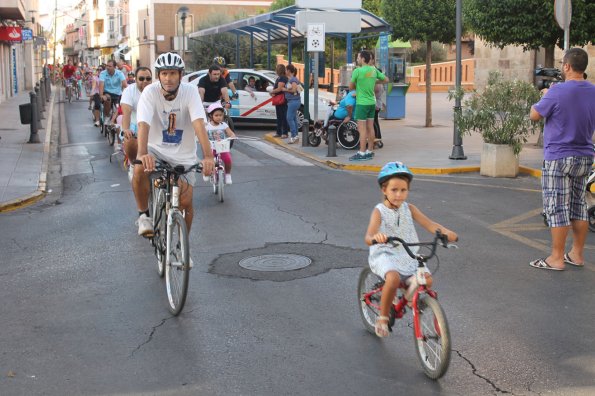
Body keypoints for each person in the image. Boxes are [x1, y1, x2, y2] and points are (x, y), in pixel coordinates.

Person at [365, 162, 458, 337]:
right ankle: (383, 317)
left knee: (427, 280)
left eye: (403, 190)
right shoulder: (379, 211)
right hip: (385, 253)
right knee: (392, 279)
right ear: (384, 190)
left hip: (408, 253)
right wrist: (376, 238)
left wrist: (446, 232)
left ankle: (405, 300)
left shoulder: (410, 209)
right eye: (394, 190)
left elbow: (430, 224)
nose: (399, 195)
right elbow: (368, 236)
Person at [133, 52, 214, 238]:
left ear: (180, 75)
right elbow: (143, 123)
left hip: (184, 154)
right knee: (138, 169)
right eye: (164, 74)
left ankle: (182, 245)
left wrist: (208, 156)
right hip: (155, 150)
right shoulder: (150, 92)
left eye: (173, 73)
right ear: (158, 75)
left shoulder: (190, 92)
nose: (168, 79)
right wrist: (142, 153)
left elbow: (199, 124)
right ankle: (143, 215)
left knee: (185, 202)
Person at [529, 47, 595, 271]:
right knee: (579, 206)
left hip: (559, 157)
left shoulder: (557, 91)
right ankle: (576, 254)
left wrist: (545, 96)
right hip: (585, 155)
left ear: (567, 66)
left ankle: (556, 258)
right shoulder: (592, 90)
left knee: (557, 207)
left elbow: (535, 115)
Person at [349, 50, 389, 161]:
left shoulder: (357, 71)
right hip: (372, 102)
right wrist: (374, 82)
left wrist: (359, 83)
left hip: (362, 103)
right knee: (370, 127)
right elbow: (386, 79)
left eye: (358, 57)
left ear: (362, 59)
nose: (357, 59)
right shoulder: (373, 70)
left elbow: (351, 87)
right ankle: (370, 151)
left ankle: (361, 153)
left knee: (362, 129)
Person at [120, 66, 153, 169]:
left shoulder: (157, 89)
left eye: (148, 78)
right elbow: (127, 113)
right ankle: (134, 165)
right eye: (141, 79)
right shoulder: (129, 91)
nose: (145, 81)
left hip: (153, 127)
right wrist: (126, 129)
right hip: (135, 127)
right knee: (129, 139)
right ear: (135, 79)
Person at [205, 102, 237, 184]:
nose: (219, 117)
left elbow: (230, 133)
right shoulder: (207, 126)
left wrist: (233, 136)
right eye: (216, 115)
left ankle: (228, 175)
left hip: (222, 147)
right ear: (210, 116)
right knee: (209, 160)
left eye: (221, 115)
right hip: (211, 147)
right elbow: (202, 135)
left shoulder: (224, 125)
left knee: (228, 159)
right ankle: (207, 172)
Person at [284, 64, 302, 144]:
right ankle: (296, 136)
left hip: (293, 101)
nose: (285, 71)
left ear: (288, 70)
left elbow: (294, 90)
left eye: (286, 70)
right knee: (294, 118)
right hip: (293, 101)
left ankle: (294, 136)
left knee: (289, 118)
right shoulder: (292, 79)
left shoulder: (293, 80)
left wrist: (285, 89)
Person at [270, 64, 289, 138]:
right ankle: (279, 132)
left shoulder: (282, 78)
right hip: (279, 99)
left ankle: (284, 132)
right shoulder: (280, 78)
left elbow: (279, 89)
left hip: (282, 100)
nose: (275, 70)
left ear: (279, 70)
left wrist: (272, 92)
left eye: (276, 68)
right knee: (279, 116)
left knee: (283, 116)